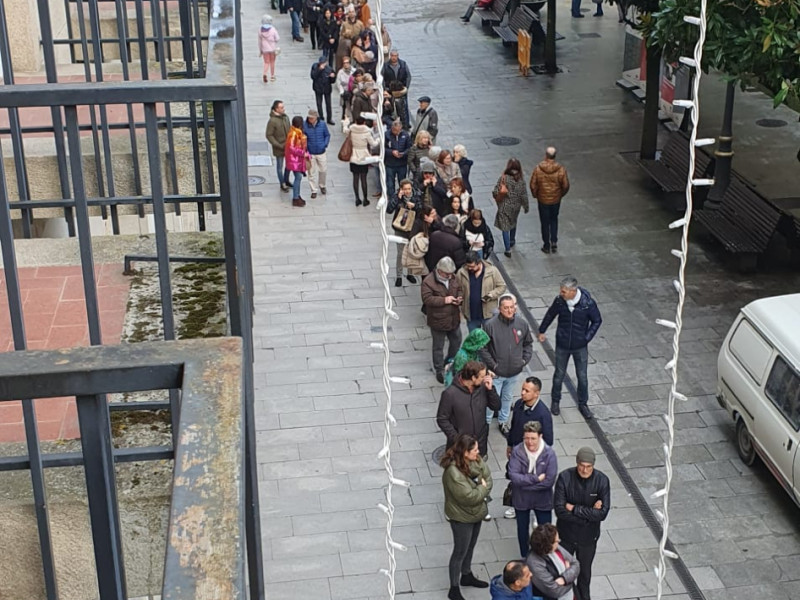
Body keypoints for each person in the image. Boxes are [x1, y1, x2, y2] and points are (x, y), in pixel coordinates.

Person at [538, 276, 602, 419]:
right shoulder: (560, 301)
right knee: (559, 374)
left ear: (573, 291)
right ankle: (555, 401)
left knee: (582, 376)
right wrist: (542, 330)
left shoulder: (587, 304)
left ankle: (583, 404)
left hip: (580, 345)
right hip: (563, 343)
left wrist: (587, 338)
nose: (561, 294)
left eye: (564, 291)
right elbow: (550, 314)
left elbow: (597, 321)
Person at [440, 433, 493, 600]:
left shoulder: (475, 460)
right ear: (465, 452)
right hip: (461, 517)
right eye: (475, 450)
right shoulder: (453, 473)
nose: (478, 453)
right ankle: (454, 588)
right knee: (460, 551)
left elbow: (488, 477)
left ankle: (467, 574)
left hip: (476, 513)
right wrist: (482, 488)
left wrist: (481, 488)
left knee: (470, 546)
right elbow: (469, 497)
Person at [553, 448, 610, 600]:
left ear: (593, 466)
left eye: (588, 467)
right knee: (562, 571)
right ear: (577, 463)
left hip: (588, 539)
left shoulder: (602, 481)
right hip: (566, 536)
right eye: (582, 466)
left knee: (584, 574)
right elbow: (559, 510)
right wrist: (589, 515)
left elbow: (603, 513)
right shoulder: (565, 478)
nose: (585, 470)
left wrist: (574, 508)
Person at [479, 293, 534, 430]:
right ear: (499, 308)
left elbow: (528, 343)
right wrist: (493, 365)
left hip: (514, 371)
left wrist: (523, 360)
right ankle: (485, 422)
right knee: (492, 399)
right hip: (496, 372)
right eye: (506, 308)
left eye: (512, 307)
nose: (509, 310)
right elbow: (482, 348)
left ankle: (503, 421)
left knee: (507, 397)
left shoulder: (522, 324)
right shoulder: (490, 325)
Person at [508, 421, 558, 558]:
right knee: (522, 530)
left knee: (546, 531)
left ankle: (545, 556)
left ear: (540, 436)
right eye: (526, 438)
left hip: (542, 500)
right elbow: (514, 477)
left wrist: (524, 484)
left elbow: (548, 482)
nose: (529, 442)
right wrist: (535, 479)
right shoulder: (518, 451)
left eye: (533, 438)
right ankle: (525, 556)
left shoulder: (549, 454)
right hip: (521, 499)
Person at [437, 361, 500, 457]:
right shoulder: (450, 394)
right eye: (482, 376)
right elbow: (442, 419)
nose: (486, 378)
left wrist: (491, 390)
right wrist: (457, 438)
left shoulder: (483, 387)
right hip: (460, 448)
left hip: (479, 444)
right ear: (473, 378)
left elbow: (496, 406)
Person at [421, 256, 463, 384]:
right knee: (438, 346)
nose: (449, 276)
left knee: (456, 340)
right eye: (447, 274)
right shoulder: (428, 282)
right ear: (439, 270)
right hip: (438, 320)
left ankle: (450, 362)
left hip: (453, 318)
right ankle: (439, 369)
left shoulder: (454, 278)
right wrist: (445, 300)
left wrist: (459, 298)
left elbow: (459, 289)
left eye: (451, 273)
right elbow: (427, 299)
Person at [529, 147, 570, 254]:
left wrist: (536, 195)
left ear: (546, 155)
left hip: (543, 200)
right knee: (554, 219)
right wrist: (560, 194)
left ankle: (546, 245)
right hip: (556, 200)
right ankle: (554, 241)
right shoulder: (561, 169)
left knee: (544, 222)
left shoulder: (538, 169)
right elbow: (566, 185)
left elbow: (533, 185)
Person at [527, 523, 581, 600]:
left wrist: (565, 579)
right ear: (548, 544)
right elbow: (554, 591)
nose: (559, 541)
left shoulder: (555, 547)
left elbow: (576, 564)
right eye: (556, 541)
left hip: (570, 595)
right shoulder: (535, 563)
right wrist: (570, 579)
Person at [455, 251, 506, 331]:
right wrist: (459, 297)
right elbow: (458, 288)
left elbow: (502, 286)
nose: (469, 268)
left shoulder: (492, 271)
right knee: (474, 340)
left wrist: (491, 295)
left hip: (488, 314)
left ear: (479, 263)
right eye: (468, 266)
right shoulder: (461, 273)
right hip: (471, 315)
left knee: (490, 338)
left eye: (472, 266)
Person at [387, 178, 421, 287]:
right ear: (401, 189)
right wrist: (398, 198)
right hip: (400, 228)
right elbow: (389, 210)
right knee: (400, 253)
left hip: (413, 228)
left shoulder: (417, 196)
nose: (407, 191)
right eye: (405, 189)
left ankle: (410, 273)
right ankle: (399, 276)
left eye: (409, 189)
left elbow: (422, 209)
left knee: (412, 251)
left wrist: (415, 206)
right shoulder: (397, 196)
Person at [493, 158, 529, 258]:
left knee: (505, 228)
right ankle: (512, 240)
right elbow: (524, 195)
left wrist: (497, 196)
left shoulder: (504, 178)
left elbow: (496, 191)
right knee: (513, 222)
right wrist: (526, 206)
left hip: (504, 206)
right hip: (515, 207)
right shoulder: (521, 180)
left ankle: (507, 249)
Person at [346, 115, 379, 207]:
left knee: (355, 178)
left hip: (353, 155)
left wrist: (345, 123)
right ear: (364, 122)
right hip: (364, 156)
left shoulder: (351, 130)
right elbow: (373, 144)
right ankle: (365, 199)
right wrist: (379, 139)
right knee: (363, 178)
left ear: (356, 121)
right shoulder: (367, 131)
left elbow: (345, 130)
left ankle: (357, 198)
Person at [402, 205, 437, 279]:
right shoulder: (418, 223)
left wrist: (433, 223)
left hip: (434, 253)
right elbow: (412, 237)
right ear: (426, 215)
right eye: (432, 213)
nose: (435, 214)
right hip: (424, 253)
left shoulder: (436, 221)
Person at [303, 110, 330, 199]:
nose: (310, 119)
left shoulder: (322, 124)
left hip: (321, 151)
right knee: (311, 172)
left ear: (316, 118)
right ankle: (313, 189)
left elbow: (327, 135)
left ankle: (322, 185)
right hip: (310, 152)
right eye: (309, 118)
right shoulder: (304, 125)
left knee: (323, 170)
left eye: (312, 118)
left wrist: (325, 144)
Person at [266, 99, 291, 192]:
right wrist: (278, 144)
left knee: (289, 165)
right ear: (276, 109)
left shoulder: (285, 117)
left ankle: (286, 179)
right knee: (279, 166)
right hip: (279, 147)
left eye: (283, 107)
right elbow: (269, 135)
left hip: (288, 146)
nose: (283, 109)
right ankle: (282, 183)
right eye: (281, 107)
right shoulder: (272, 121)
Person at [284, 116, 309, 207]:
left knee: (298, 177)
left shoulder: (296, 132)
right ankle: (295, 197)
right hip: (294, 160)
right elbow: (291, 147)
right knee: (298, 178)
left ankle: (297, 195)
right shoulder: (294, 134)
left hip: (296, 159)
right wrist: (302, 153)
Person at [384, 119, 411, 199]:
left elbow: (409, 148)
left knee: (402, 181)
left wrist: (403, 154)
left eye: (399, 130)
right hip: (390, 163)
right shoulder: (386, 135)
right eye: (395, 130)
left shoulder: (405, 135)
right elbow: (383, 148)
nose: (397, 132)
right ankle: (392, 198)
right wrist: (391, 152)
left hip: (402, 163)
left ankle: (402, 197)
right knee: (390, 183)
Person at [310, 56, 336, 125]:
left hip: (327, 88)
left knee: (328, 104)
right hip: (318, 88)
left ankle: (329, 118)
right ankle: (321, 117)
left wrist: (333, 77)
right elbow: (313, 76)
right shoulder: (315, 67)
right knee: (319, 104)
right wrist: (319, 69)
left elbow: (332, 81)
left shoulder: (329, 69)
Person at [337, 5, 363, 69]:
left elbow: (363, 35)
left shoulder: (360, 24)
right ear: (348, 14)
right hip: (347, 46)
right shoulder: (345, 24)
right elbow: (341, 35)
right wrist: (346, 34)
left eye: (353, 12)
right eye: (350, 12)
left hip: (357, 46)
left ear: (355, 13)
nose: (351, 13)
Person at [258, 15, 280, 83]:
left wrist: (260, 50)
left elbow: (259, 41)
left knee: (266, 62)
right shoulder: (273, 29)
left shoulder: (260, 30)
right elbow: (277, 39)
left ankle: (264, 73)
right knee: (272, 62)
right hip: (272, 49)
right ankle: (272, 76)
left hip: (265, 49)